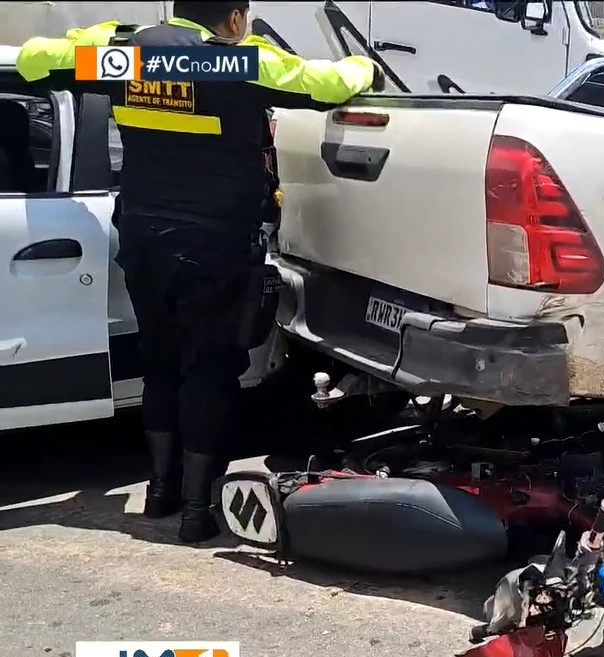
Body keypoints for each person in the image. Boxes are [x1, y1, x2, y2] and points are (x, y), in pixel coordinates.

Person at [16, 2, 383, 542]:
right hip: (214, 243)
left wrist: (111, 36)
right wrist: (367, 67)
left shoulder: (122, 56)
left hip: (143, 238)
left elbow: (31, 61)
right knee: (208, 370)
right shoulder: (237, 63)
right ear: (234, 19)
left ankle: (160, 493)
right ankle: (196, 511)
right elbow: (332, 83)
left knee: (160, 363)